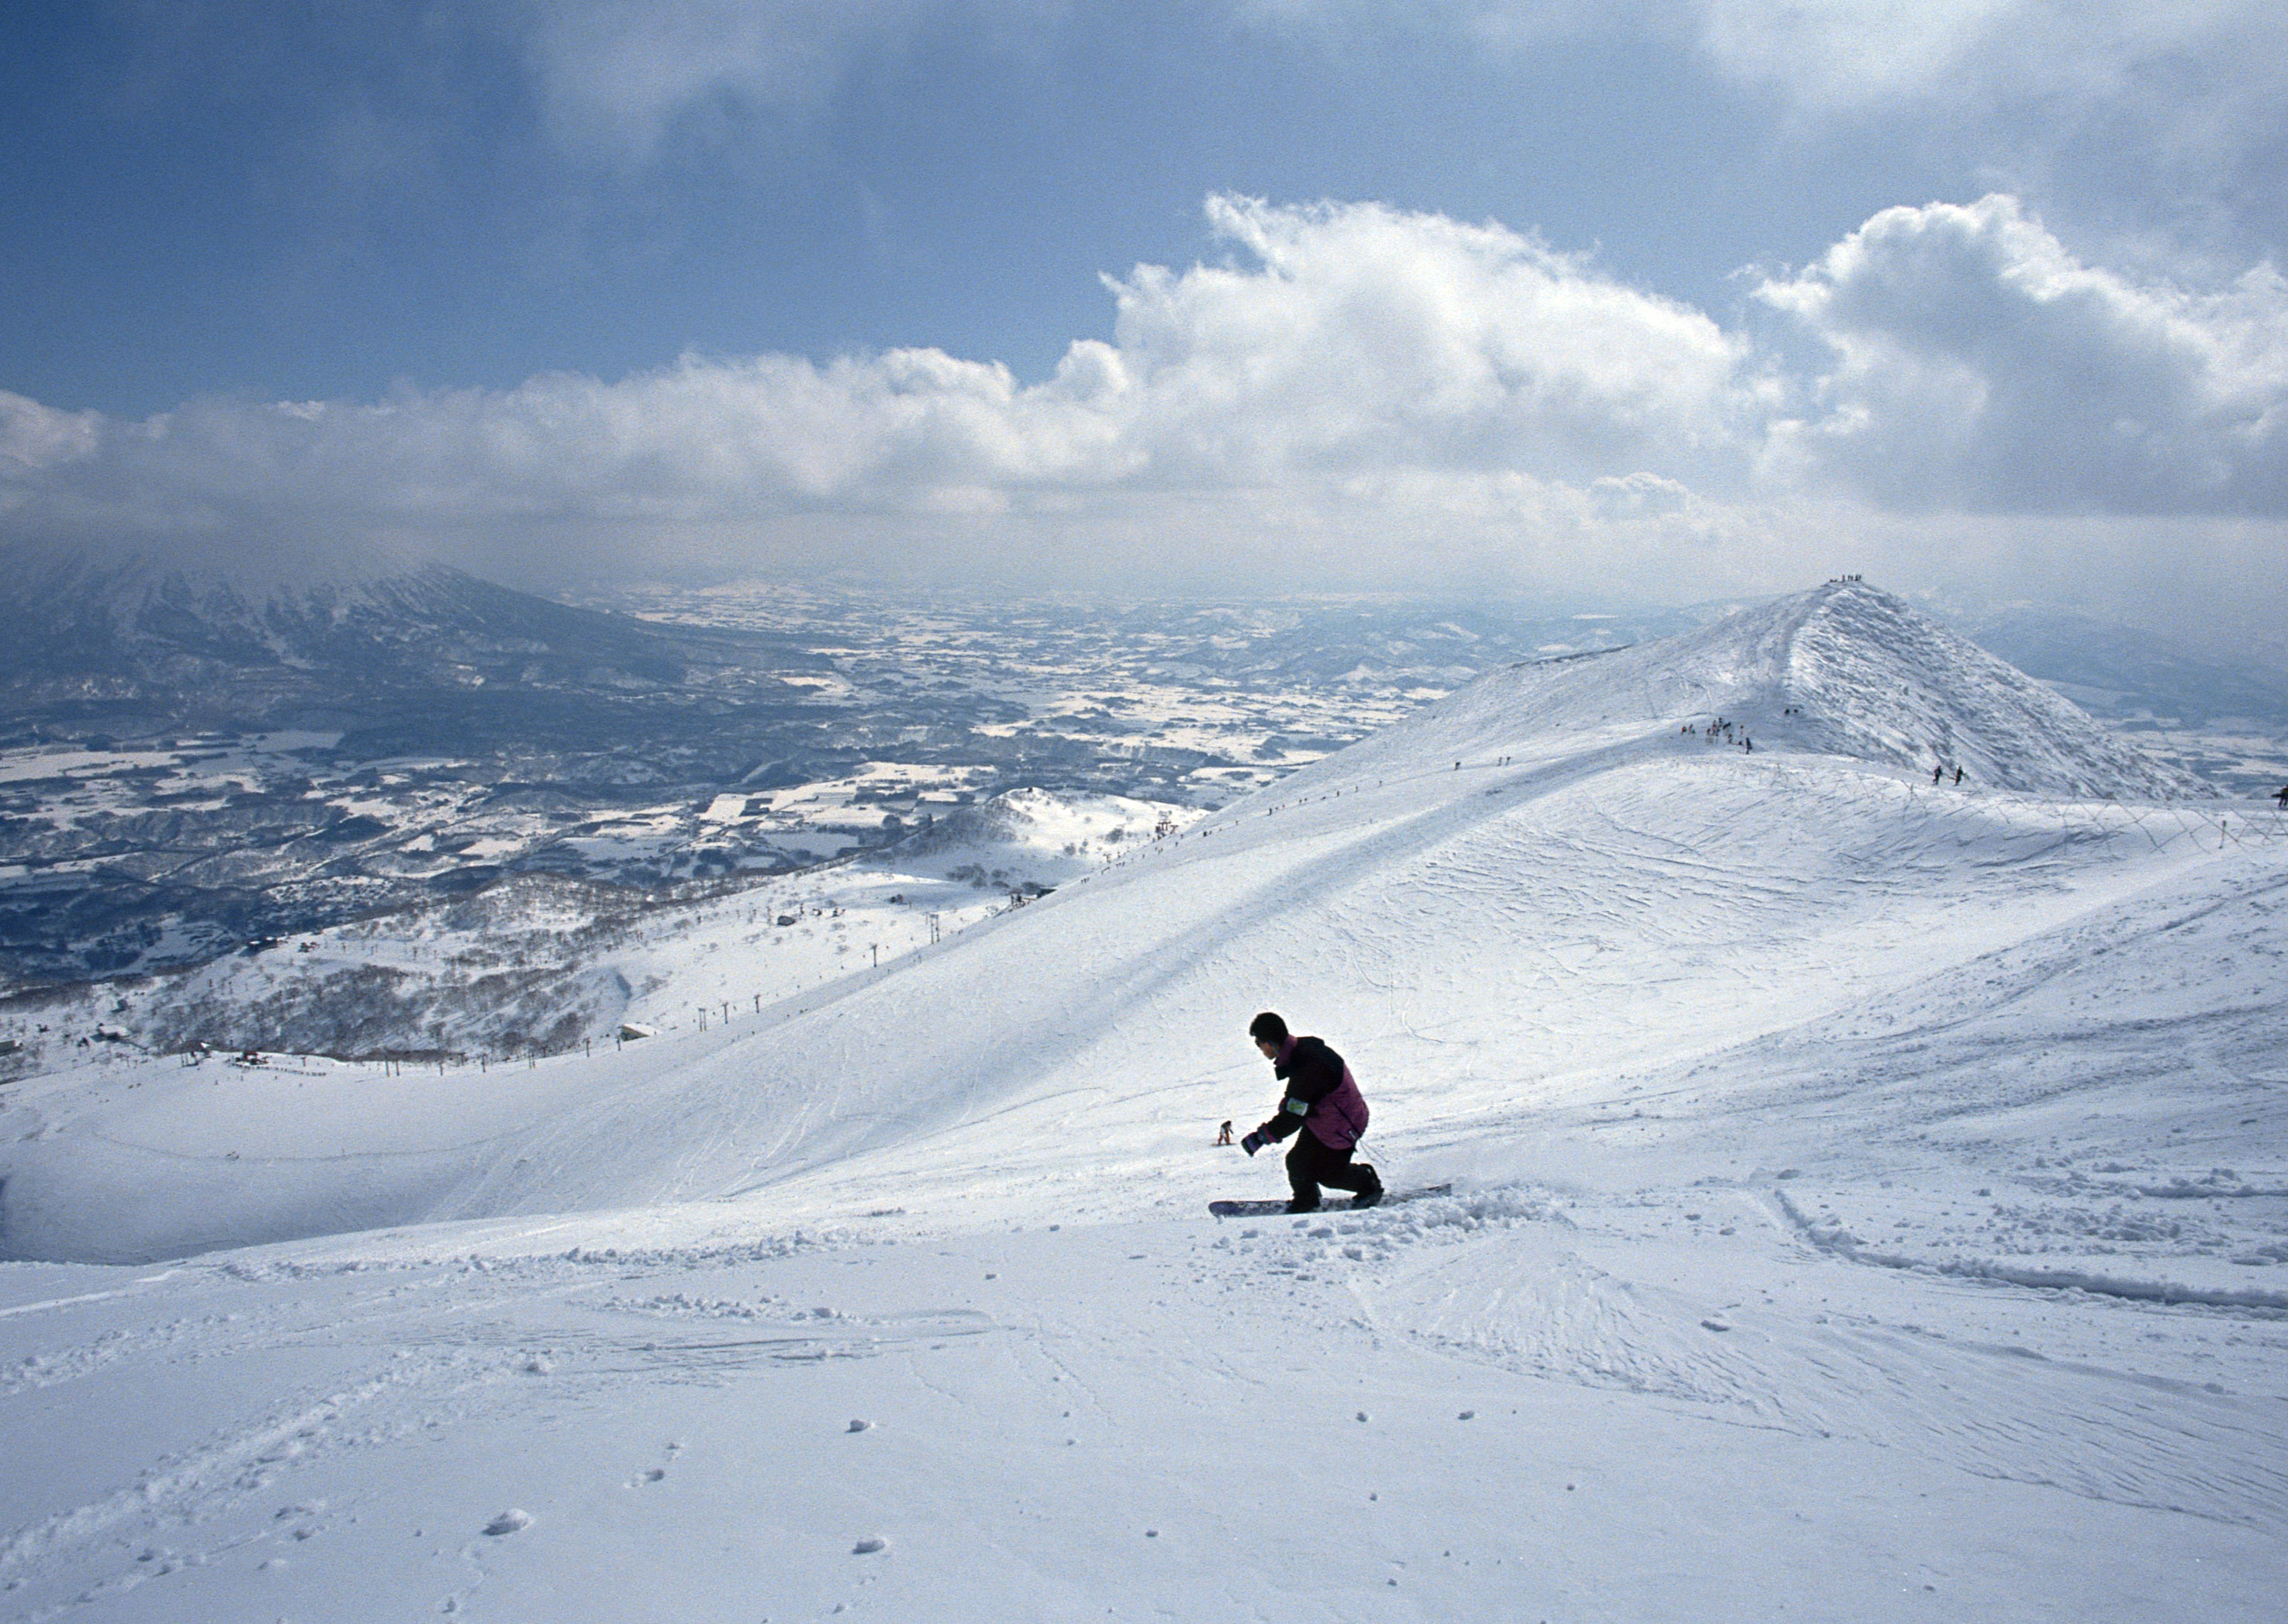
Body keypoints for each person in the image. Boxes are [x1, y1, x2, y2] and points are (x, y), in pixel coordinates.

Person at [1238, 1011, 1382, 1212]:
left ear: (1270, 1042)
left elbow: (1292, 1117)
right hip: (1326, 1120)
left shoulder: (1307, 1067)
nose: (1260, 1049)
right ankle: (1307, 1201)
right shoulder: (1301, 1051)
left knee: (1328, 1175)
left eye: (1259, 1043)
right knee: (1297, 1162)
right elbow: (1300, 1102)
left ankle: (1367, 1183)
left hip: (1343, 1124)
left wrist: (1261, 1137)